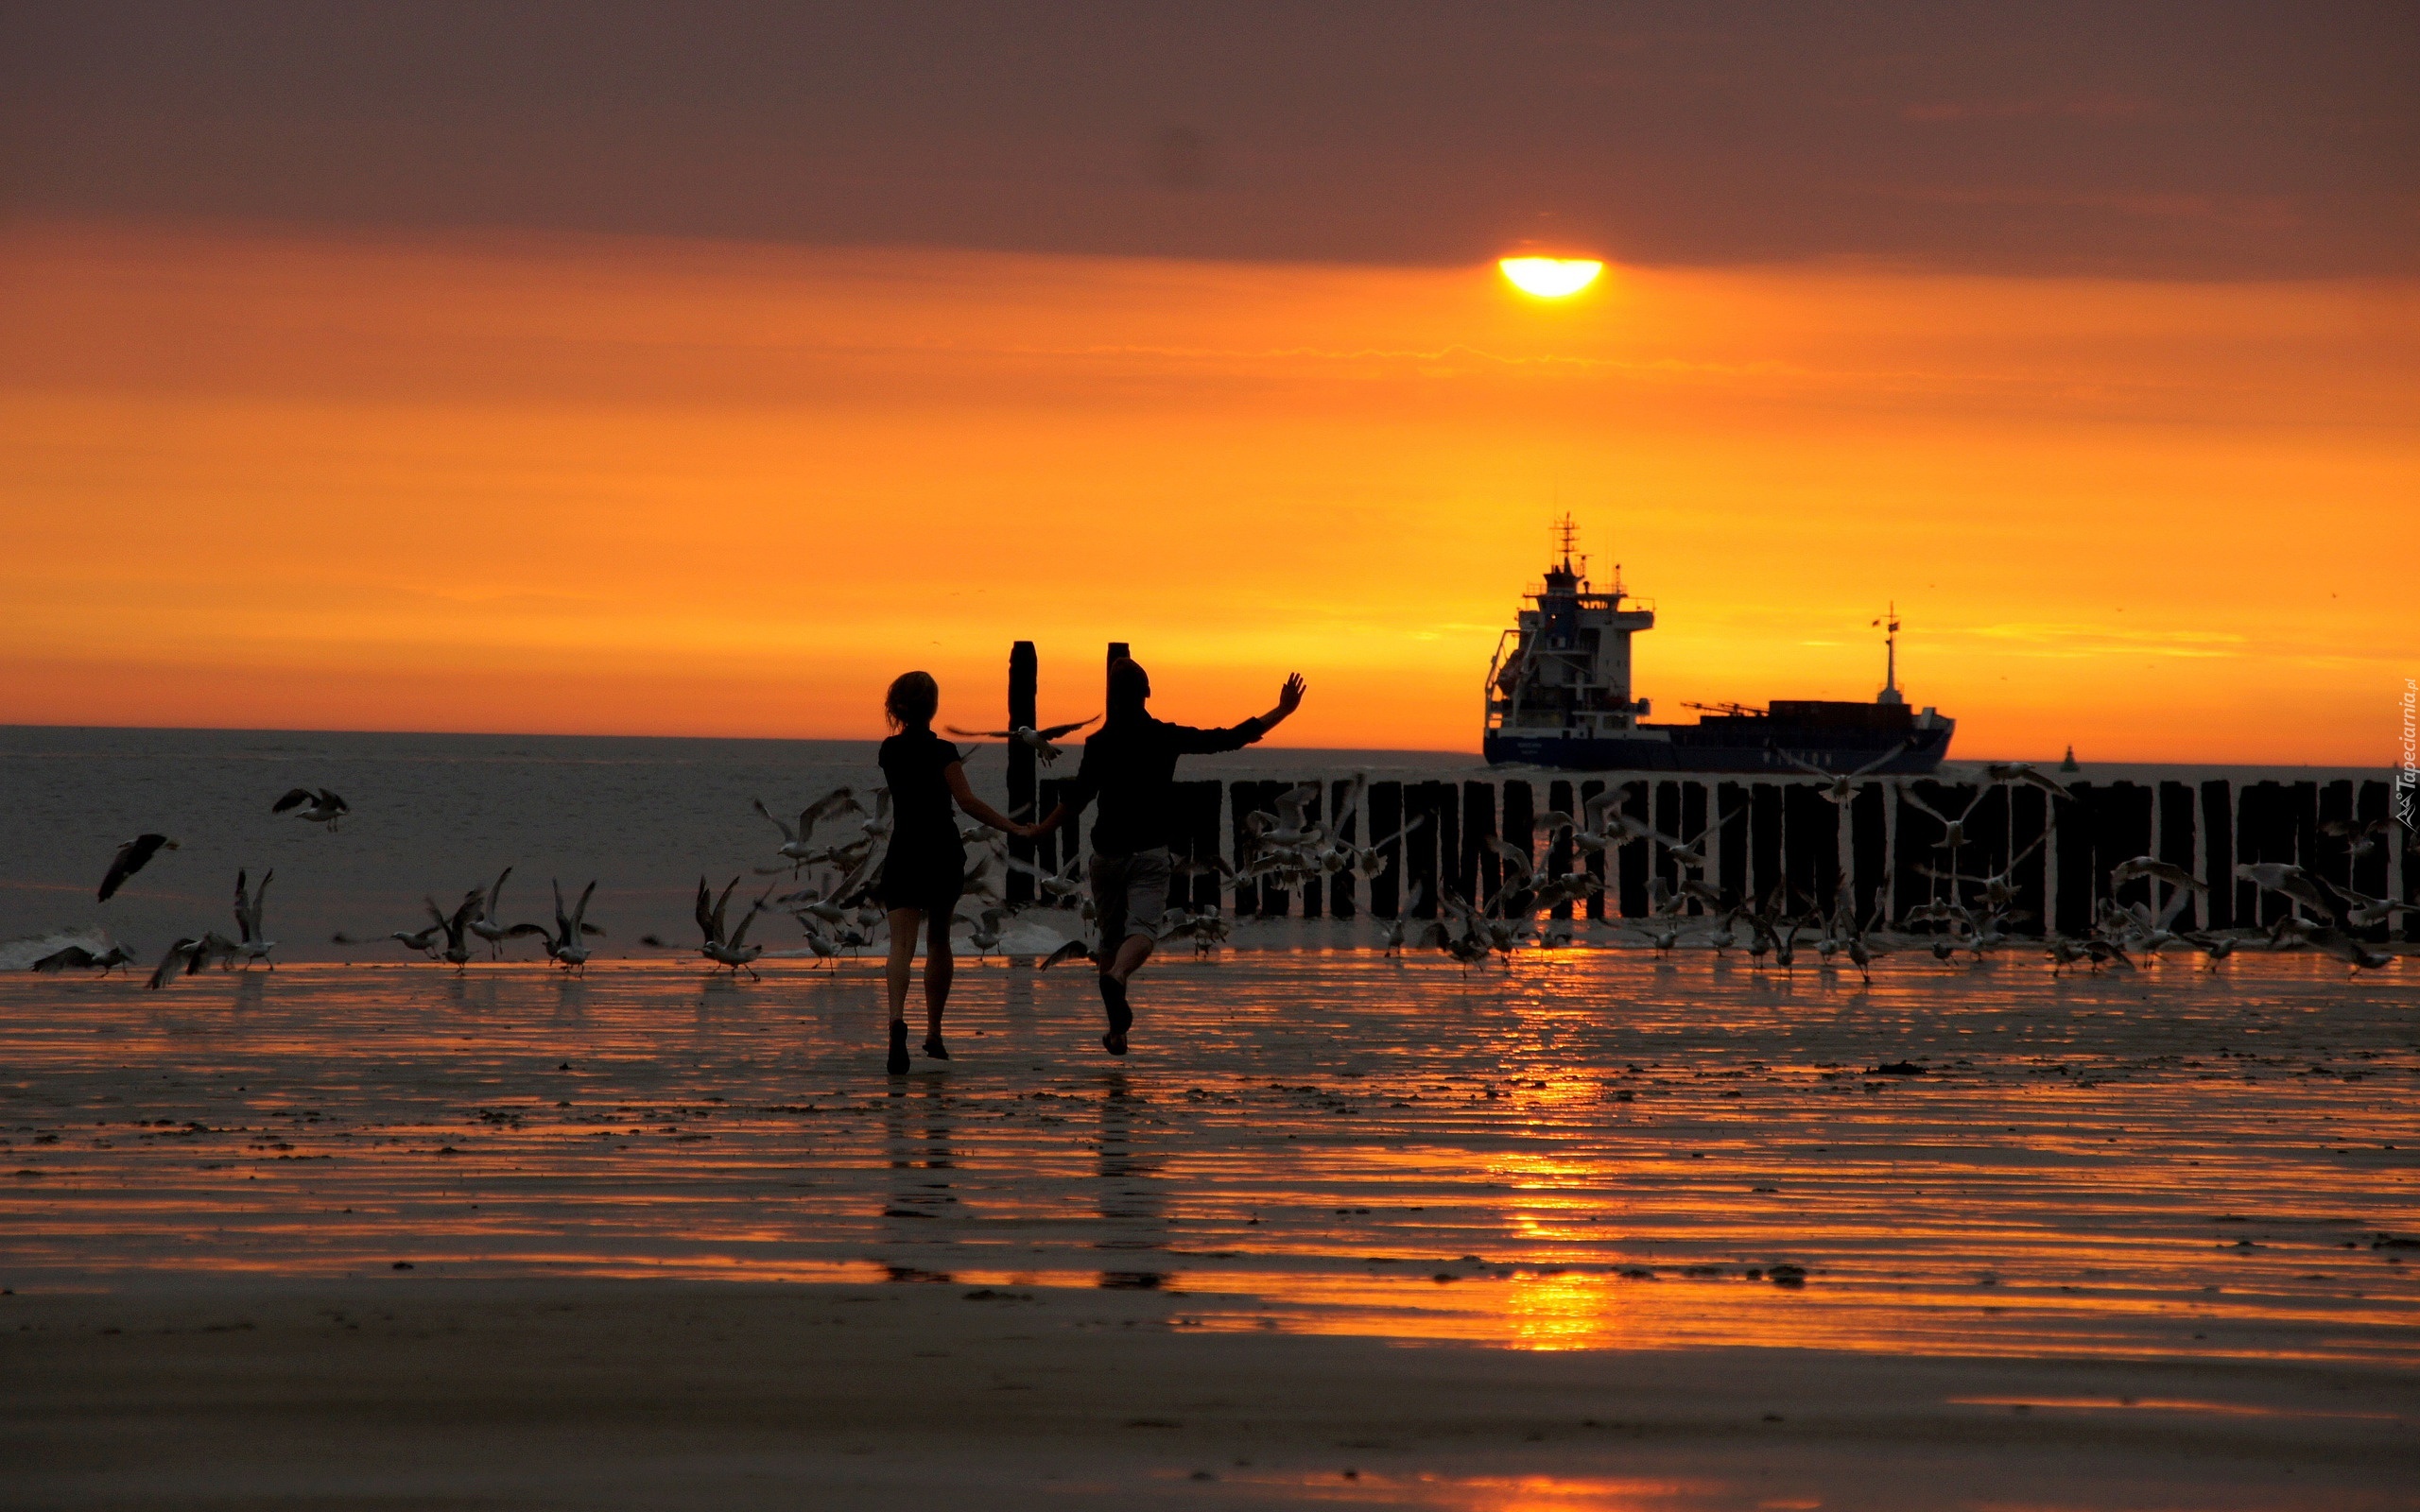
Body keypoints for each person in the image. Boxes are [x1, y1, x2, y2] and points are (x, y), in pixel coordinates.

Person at [1030, 661, 1305, 1055]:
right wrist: (1281, 711)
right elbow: (1227, 738)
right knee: (1142, 930)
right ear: (1147, 694)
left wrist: (1037, 830)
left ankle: (1116, 1032)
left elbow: (1077, 799)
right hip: (1148, 854)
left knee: (1108, 938)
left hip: (1106, 854)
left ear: (1112, 697)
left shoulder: (1099, 743)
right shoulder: (1164, 736)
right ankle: (1120, 976)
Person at [873, 671, 1032, 1074]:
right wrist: (1011, 826)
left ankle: (895, 1019)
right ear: (934, 707)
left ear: (896, 707)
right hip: (941, 852)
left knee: (900, 946)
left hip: (904, 850)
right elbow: (966, 802)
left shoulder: (888, 751)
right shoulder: (944, 751)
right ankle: (933, 1032)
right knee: (939, 939)